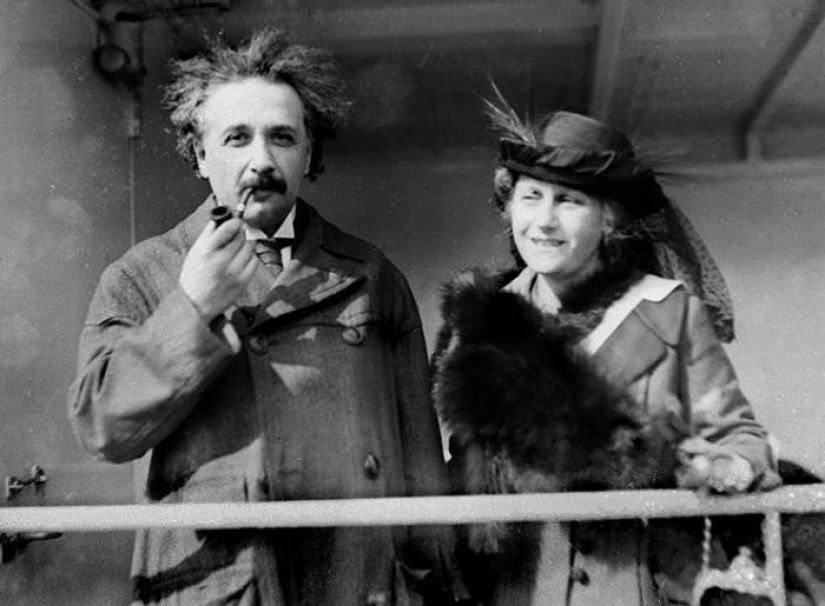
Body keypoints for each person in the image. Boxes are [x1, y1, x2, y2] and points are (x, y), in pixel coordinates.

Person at [68, 27, 463, 606]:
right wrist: (193, 305)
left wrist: (433, 587)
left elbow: (420, 462)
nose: (262, 161)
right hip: (219, 584)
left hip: (353, 580)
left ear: (309, 153)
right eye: (237, 138)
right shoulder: (141, 275)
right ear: (201, 154)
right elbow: (102, 428)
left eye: (282, 137)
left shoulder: (373, 275)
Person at [430, 98, 780, 606]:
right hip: (519, 588)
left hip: (641, 584)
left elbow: (740, 437)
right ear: (509, 207)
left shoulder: (669, 314)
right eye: (531, 197)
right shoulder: (483, 318)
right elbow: (462, 468)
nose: (544, 221)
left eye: (569, 202)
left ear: (609, 219)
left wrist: (725, 468)